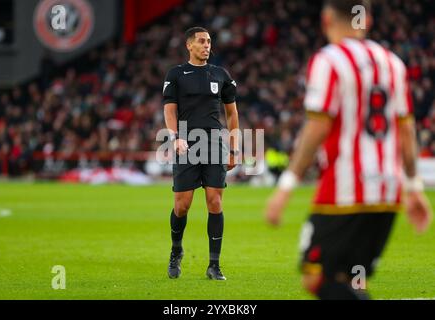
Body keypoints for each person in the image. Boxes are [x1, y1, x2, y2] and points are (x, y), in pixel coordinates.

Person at [265, 0, 433, 299]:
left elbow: (316, 128)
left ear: (326, 18)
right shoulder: (392, 62)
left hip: (345, 190)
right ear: (366, 20)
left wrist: (286, 186)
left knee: (316, 277)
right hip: (387, 192)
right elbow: (406, 131)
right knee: (354, 279)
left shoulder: (329, 60)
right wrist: (413, 187)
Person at [162, 27, 239, 280]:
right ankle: (176, 251)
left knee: (215, 202)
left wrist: (234, 147)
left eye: (209, 42)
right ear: (189, 45)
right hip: (186, 140)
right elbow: (170, 111)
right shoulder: (176, 74)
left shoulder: (220, 74)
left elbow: (232, 114)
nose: (207, 46)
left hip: (215, 141)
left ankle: (214, 265)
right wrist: (174, 137)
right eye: (202, 41)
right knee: (182, 206)